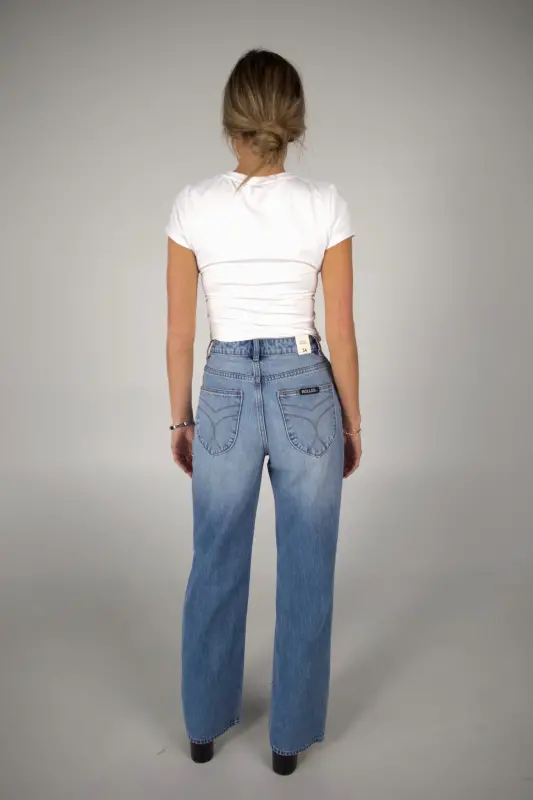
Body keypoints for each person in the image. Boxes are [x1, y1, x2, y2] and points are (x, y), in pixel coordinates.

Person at [165, 48, 362, 776]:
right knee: (307, 567)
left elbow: (179, 333)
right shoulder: (326, 203)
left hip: (221, 385)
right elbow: (340, 330)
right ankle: (287, 744)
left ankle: (201, 729)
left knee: (215, 559)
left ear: (231, 122)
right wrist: (351, 423)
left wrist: (181, 420)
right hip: (306, 384)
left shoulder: (192, 204)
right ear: (294, 121)